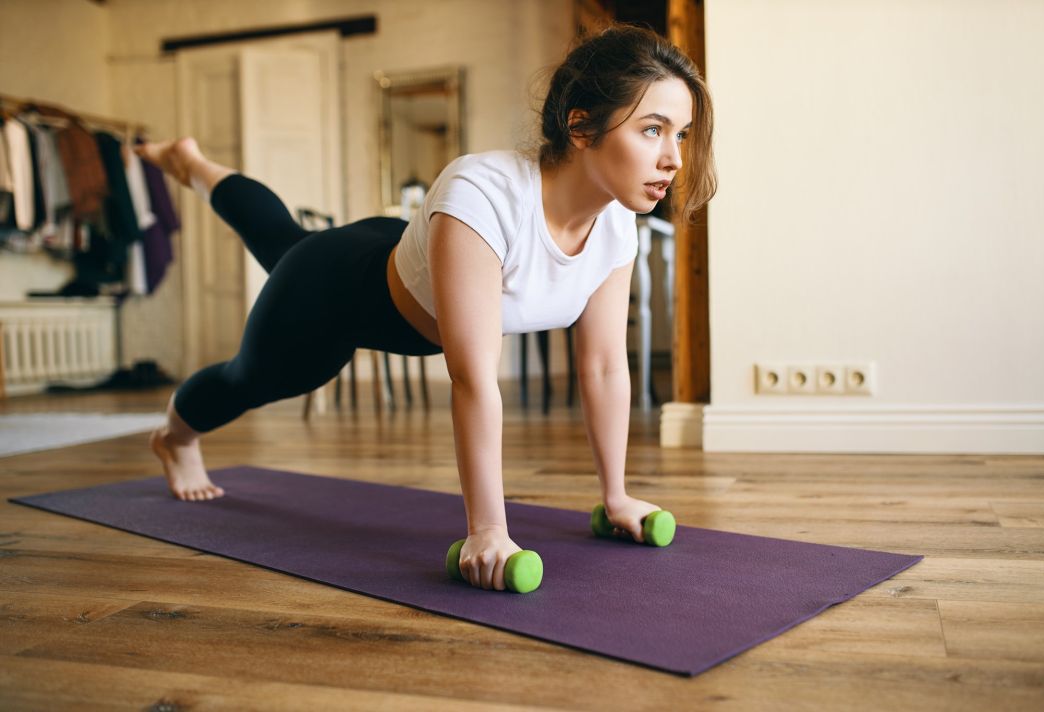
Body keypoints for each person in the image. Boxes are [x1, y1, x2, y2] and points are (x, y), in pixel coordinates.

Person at [138, 23, 717, 592]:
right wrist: (487, 530)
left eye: (682, 135)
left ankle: (191, 164)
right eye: (652, 130)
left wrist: (616, 497)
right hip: (335, 288)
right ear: (582, 126)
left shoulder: (616, 225)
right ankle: (175, 437)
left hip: (397, 249)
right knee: (257, 368)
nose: (673, 158)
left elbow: (604, 366)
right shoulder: (485, 192)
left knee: (280, 235)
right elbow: (471, 378)